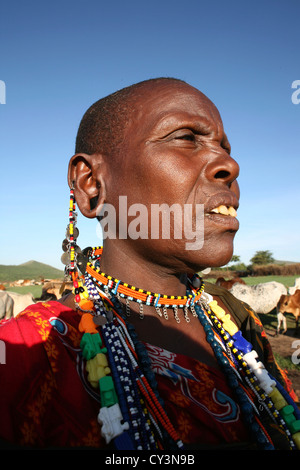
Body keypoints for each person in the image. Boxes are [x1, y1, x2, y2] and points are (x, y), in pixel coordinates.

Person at [0, 78, 299, 451]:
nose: (230, 164)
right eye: (186, 138)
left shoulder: (234, 318)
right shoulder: (26, 352)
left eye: (225, 147)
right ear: (92, 184)